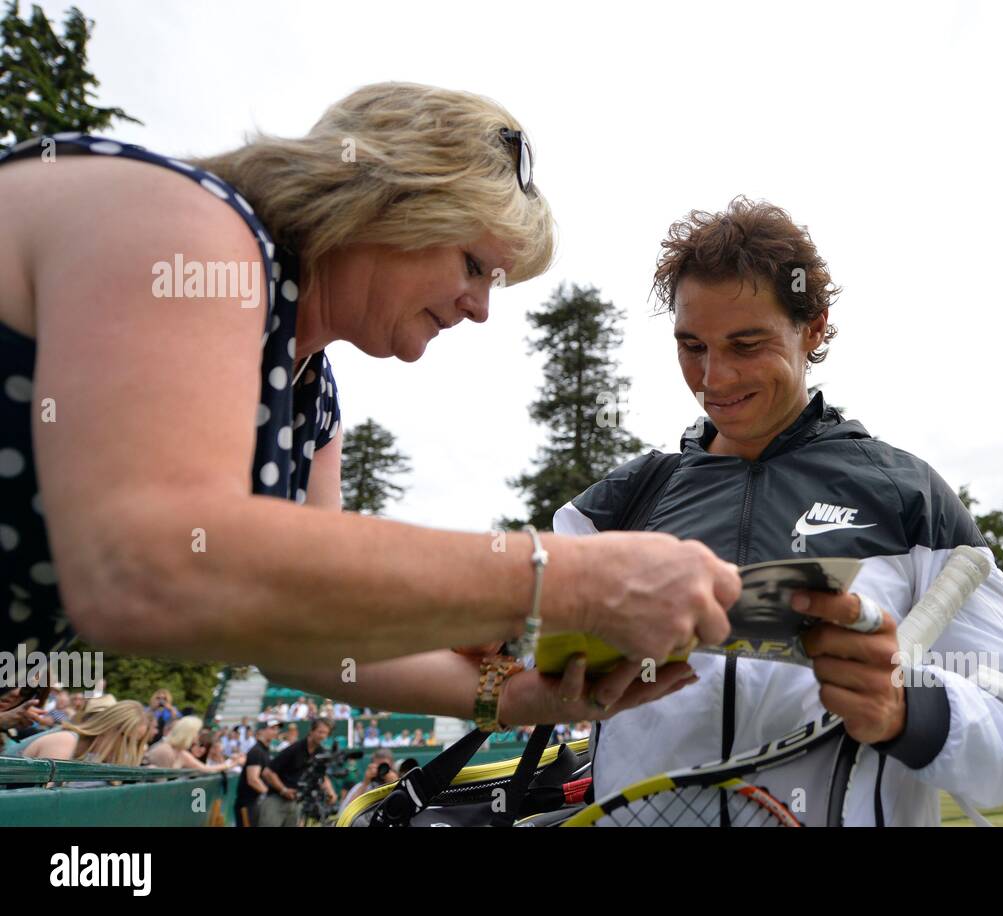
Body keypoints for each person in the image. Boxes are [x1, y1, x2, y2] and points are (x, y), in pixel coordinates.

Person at [0, 82, 740, 726]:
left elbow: (293, 632)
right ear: (387, 196)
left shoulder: (313, 400)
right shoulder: (186, 222)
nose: (481, 308)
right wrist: (567, 580)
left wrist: (507, 698)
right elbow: (148, 563)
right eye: (475, 264)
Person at [551, 198, 1003, 825]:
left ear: (815, 327)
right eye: (691, 345)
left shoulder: (909, 497)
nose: (713, 378)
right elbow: (531, 681)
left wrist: (911, 712)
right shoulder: (615, 506)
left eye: (747, 344)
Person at [22, 699, 152, 767]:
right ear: (108, 727)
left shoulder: (87, 754)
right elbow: (42, 804)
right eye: (128, 740)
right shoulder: (65, 741)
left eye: (136, 743)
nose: (129, 751)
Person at [260, 718, 335, 827]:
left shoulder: (321, 752)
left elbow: (322, 775)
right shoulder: (294, 749)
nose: (323, 736)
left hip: (297, 802)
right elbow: (267, 772)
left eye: (326, 733)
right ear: (311, 731)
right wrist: (283, 790)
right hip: (276, 799)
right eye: (320, 732)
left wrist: (330, 791)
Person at [143, 715, 235, 772]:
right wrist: (231, 764)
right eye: (197, 732)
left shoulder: (180, 752)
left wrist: (230, 763)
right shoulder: (165, 750)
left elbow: (205, 769)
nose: (198, 736)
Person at [233, 720, 279, 827]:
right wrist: (270, 797)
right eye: (272, 728)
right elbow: (253, 780)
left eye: (277, 729)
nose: (276, 731)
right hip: (248, 805)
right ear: (261, 732)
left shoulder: (264, 751)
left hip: (256, 805)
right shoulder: (257, 751)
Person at [339, 747, 398, 812]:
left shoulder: (400, 784)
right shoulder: (363, 786)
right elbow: (345, 812)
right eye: (378, 767)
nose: (381, 770)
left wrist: (396, 785)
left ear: (392, 766)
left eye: (384, 766)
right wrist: (365, 783)